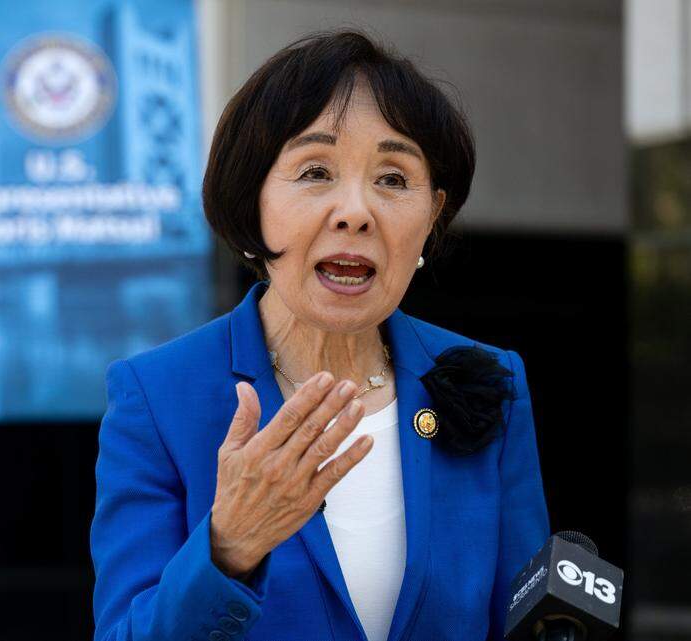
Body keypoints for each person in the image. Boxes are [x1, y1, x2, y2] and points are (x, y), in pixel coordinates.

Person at [90, 29, 549, 641]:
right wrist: (230, 546)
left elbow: (530, 625)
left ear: (432, 215)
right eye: (314, 171)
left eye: (392, 178)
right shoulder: (157, 396)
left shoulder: (489, 379)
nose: (355, 211)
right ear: (251, 204)